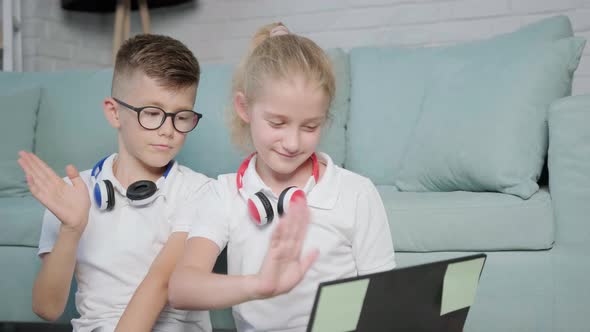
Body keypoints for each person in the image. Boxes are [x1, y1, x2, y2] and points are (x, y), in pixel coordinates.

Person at [168, 23, 396, 332]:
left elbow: (385, 299)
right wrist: (258, 285)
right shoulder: (223, 194)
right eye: (278, 123)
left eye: (310, 127)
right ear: (244, 108)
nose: (292, 143)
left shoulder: (356, 192)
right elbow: (182, 288)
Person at [18, 34, 212, 332]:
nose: (167, 130)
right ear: (114, 112)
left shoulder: (199, 191)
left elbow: (161, 283)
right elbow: (47, 308)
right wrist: (71, 230)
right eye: (151, 113)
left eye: (181, 116)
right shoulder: (72, 193)